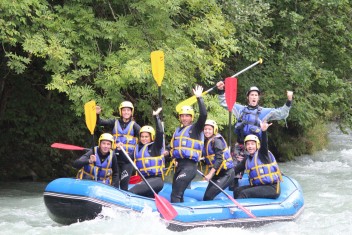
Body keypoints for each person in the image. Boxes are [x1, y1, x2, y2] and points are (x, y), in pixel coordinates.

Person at [216, 82, 293, 162]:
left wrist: (289, 100)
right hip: (241, 146)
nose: (254, 97)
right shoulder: (240, 110)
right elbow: (225, 103)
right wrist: (221, 91)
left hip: (255, 148)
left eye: (256, 95)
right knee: (236, 170)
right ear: (248, 97)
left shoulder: (264, 112)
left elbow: (282, 114)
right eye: (252, 95)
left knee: (255, 170)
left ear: (258, 98)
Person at [168, 85, 207, 203]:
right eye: (182, 116)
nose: (184, 118)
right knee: (176, 193)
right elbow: (172, 149)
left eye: (187, 116)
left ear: (191, 117)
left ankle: (175, 219)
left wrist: (199, 98)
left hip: (190, 167)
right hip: (179, 166)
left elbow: (204, 115)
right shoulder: (178, 131)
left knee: (176, 194)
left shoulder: (195, 129)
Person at [96, 101, 141, 191]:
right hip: (115, 157)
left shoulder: (135, 126)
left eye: (128, 110)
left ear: (131, 112)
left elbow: (144, 139)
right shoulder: (114, 122)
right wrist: (97, 115)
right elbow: (100, 122)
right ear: (121, 111)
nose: (126, 112)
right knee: (115, 182)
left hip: (127, 159)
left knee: (124, 185)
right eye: (124, 110)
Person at [233, 122, 282, 199]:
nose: (250, 146)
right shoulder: (247, 159)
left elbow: (265, 144)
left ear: (257, 145)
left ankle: (239, 210)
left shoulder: (263, 154)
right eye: (248, 144)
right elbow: (234, 170)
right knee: (237, 190)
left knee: (243, 193)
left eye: (252, 144)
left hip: (272, 188)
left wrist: (264, 131)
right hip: (258, 186)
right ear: (245, 147)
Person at [129, 108, 165, 198]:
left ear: (151, 137)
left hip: (156, 181)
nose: (144, 139)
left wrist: (156, 117)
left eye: (146, 137)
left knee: (131, 192)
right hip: (145, 180)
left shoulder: (155, 147)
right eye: (142, 136)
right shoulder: (137, 149)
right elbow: (126, 159)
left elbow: (160, 133)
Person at [202, 120, 235, 201]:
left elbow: (219, 160)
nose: (207, 131)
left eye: (209, 129)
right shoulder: (206, 141)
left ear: (214, 130)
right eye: (205, 129)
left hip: (227, 173)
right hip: (218, 173)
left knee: (208, 196)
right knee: (206, 197)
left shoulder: (216, 141)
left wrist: (210, 174)